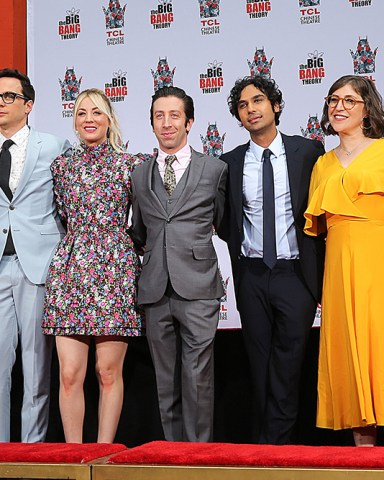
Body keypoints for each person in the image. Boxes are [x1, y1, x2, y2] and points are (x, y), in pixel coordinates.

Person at [218, 75, 325, 444]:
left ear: (275, 106)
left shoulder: (308, 152)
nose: (251, 109)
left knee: (289, 363)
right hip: (251, 274)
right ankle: (263, 446)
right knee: (258, 362)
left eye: (258, 100)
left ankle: (280, 447)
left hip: (295, 273)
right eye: (243, 105)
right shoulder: (230, 162)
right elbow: (225, 219)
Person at [42, 88, 145, 443]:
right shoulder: (61, 166)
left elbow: (145, 219)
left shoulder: (131, 164)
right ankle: (74, 457)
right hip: (70, 270)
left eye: (97, 112)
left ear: (109, 120)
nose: (89, 118)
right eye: (82, 112)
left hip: (115, 269)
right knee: (69, 374)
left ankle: (102, 455)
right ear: (74, 121)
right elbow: (55, 216)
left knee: (107, 372)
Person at [129, 86, 227, 442]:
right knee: (164, 378)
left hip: (199, 285)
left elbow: (224, 220)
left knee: (198, 375)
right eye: (159, 116)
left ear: (189, 122)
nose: (166, 123)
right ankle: (173, 455)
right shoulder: (139, 174)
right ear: (152, 123)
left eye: (174, 116)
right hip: (155, 288)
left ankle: (198, 457)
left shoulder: (215, 169)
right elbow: (139, 231)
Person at [304, 75, 384, 447]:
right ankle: (363, 456)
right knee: (350, 353)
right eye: (333, 99)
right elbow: (317, 232)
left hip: (377, 262)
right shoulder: (322, 163)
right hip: (338, 267)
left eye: (349, 100)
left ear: (367, 108)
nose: (338, 106)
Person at [0, 68, 70, 442]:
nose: (1, 102)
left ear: (28, 105)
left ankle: (33, 451)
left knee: (36, 365)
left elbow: (72, 201)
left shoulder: (55, 145)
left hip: (37, 264)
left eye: (9, 96)